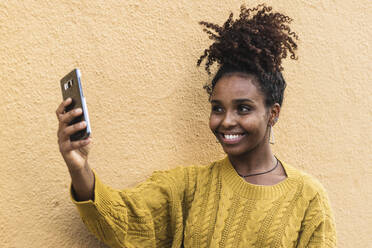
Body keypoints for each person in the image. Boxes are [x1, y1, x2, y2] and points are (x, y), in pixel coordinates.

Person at [56, 4, 336, 248]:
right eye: (217, 108)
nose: (226, 121)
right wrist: (79, 167)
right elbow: (122, 222)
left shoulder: (308, 198)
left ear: (272, 113)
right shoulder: (188, 187)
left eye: (243, 108)